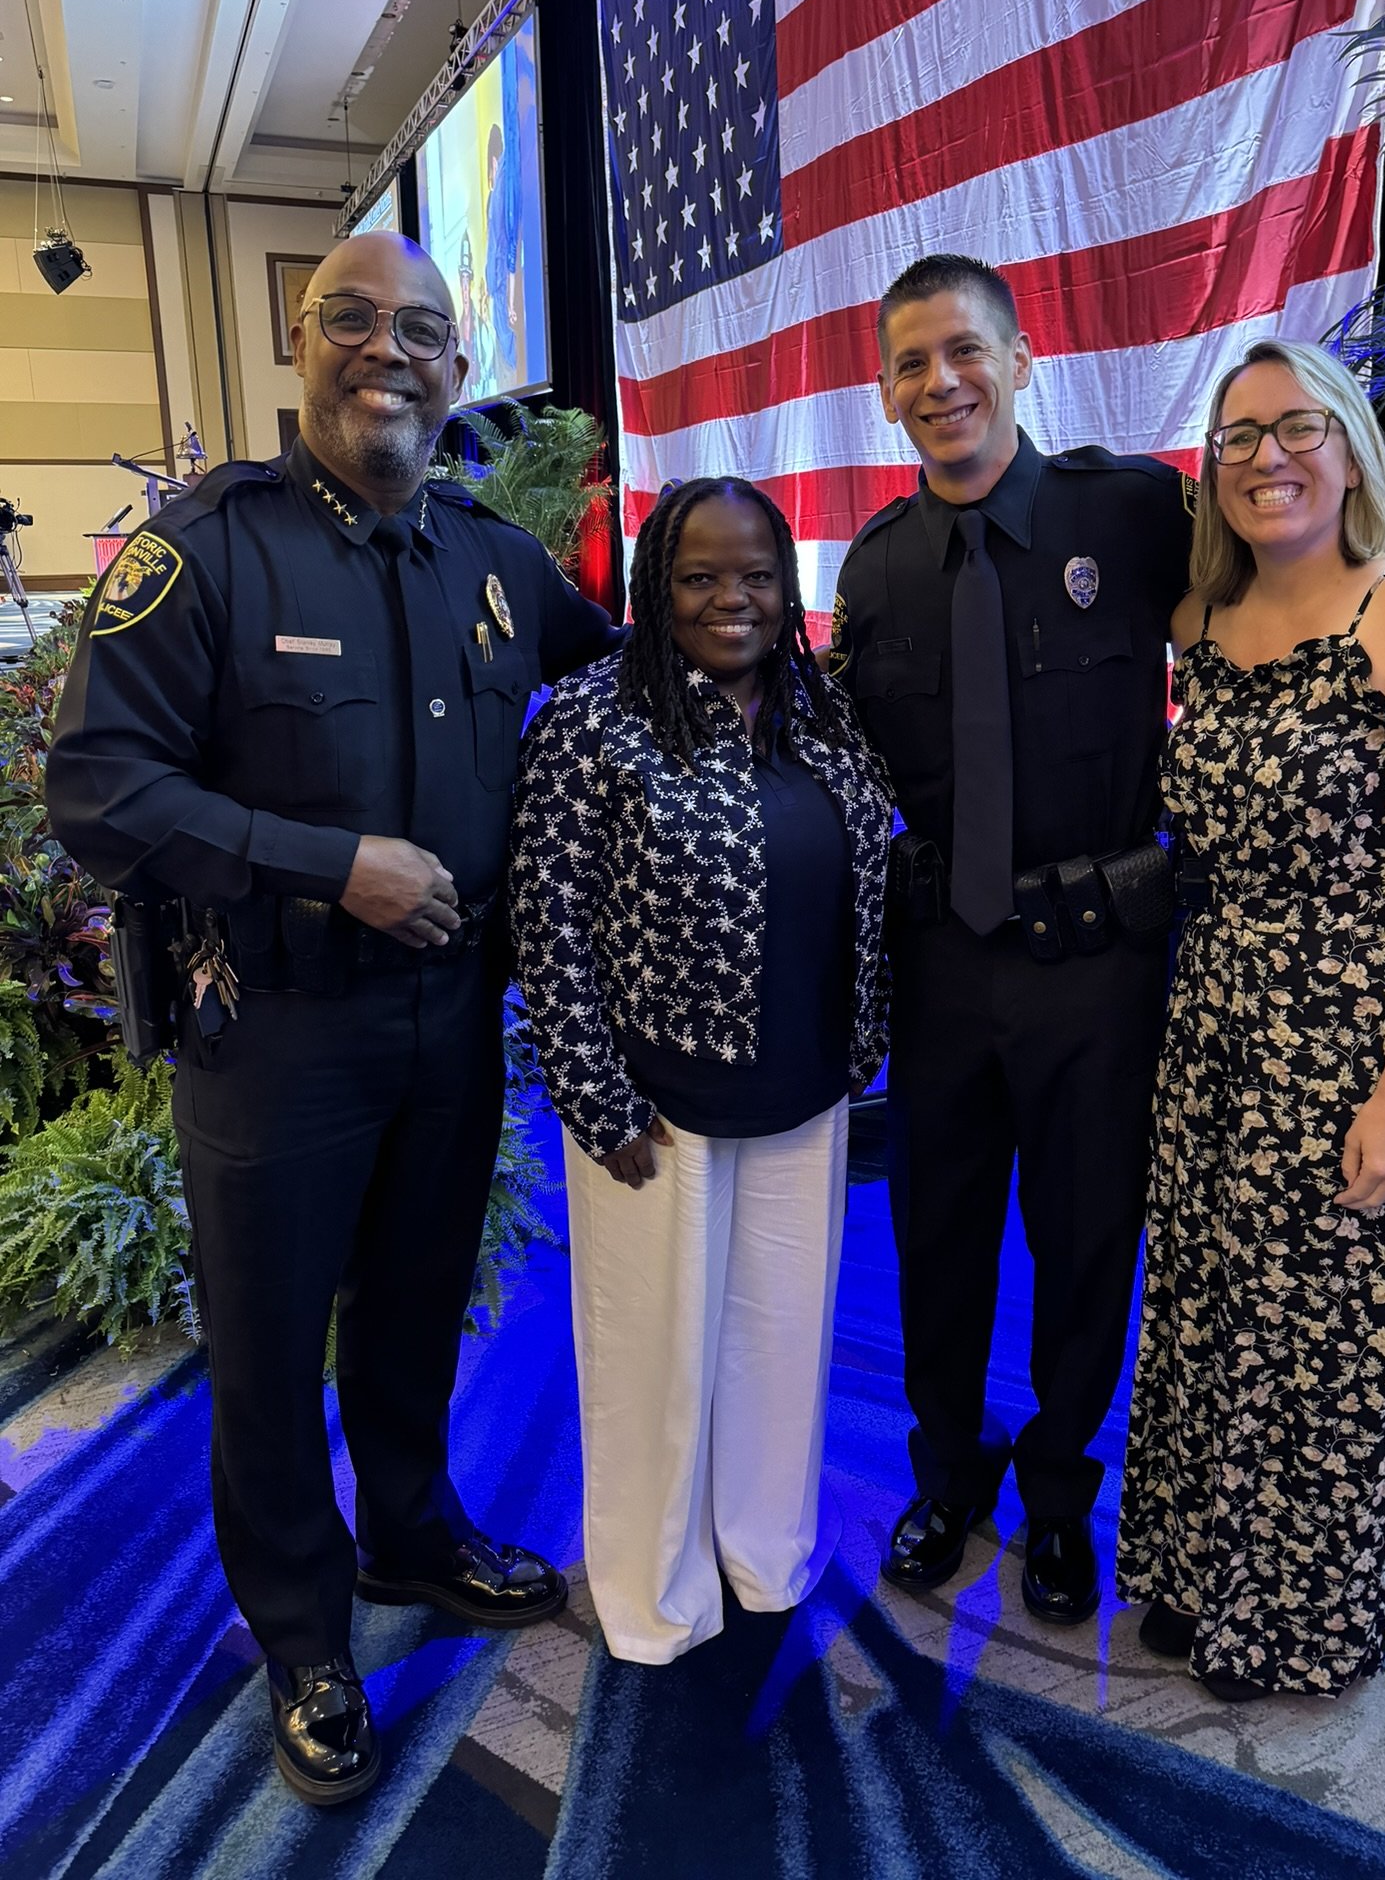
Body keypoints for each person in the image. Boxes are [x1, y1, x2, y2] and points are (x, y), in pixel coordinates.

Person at [47, 233, 620, 1803]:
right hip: (274, 1029)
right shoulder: (206, 552)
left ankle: (414, 1538)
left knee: (420, 1303)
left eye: (422, 331)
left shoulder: (497, 567)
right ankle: (304, 1631)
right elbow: (95, 786)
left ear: (455, 366)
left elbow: (644, 678)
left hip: (451, 1023)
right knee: (269, 1349)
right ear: (301, 344)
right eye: (354, 322)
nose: (391, 351)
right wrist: (327, 868)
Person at [1116, 339, 1385, 1699]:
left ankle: (1292, 1619)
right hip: (1213, 1021)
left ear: (1348, 448)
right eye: (1236, 441)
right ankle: (1200, 1571)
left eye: (1296, 429)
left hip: (1347, 1028)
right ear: (1210, 477)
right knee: (1214, 1308)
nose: (1267, 459)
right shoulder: (1198, 628)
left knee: (1327, 1335)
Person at [829, 254, 1191, 1621]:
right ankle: (947, 1476)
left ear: (1022, 360)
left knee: (1091, 1237)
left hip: (1097, 965)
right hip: (943, 971)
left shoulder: (1134, 512)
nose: (941, 383)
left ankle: (1055, 1497)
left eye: (965, 352)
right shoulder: (876, 569)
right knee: (938, 1238)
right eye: (912, 363)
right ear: (884, 392)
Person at [512, 478, 892, 1664]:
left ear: (790, 590)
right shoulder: (590, 717)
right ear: (654, 588)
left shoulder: (820, 711)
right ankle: (655, 1591)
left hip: (806, 1084)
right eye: (700, 576)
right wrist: (593, 1090)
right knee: (655, 1358)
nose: (734, 598)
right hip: (652, 1107)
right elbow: (547, 911)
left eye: (758, 576)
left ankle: (763, 1553)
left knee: (781, 1341)